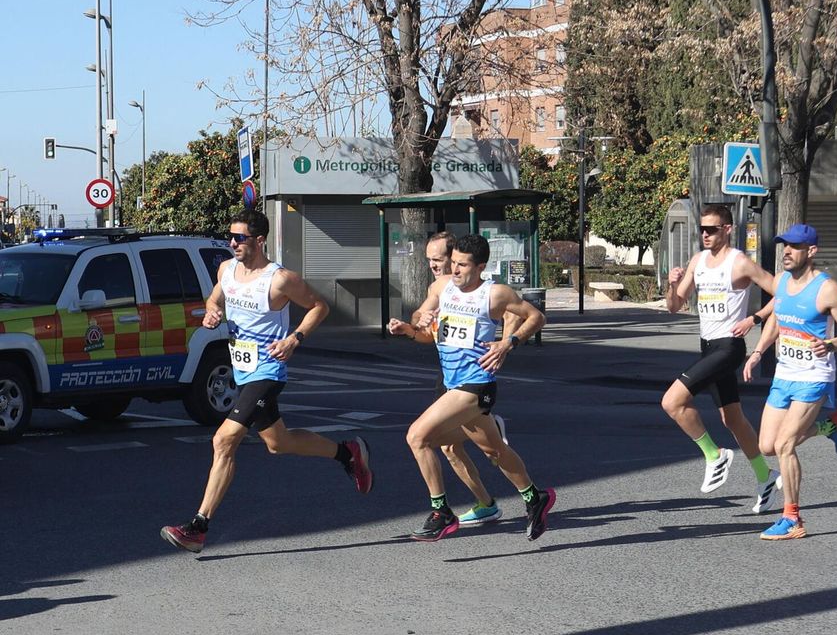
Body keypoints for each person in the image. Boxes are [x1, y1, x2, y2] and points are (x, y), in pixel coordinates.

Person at [161, 209, 373, 554]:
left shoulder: (280, 279)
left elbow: (319, 306)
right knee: (279, 442)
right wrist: (212, 312)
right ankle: (347, 453)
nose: (233, 243)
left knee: (223, 440)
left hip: (268, 371)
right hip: (242, 371)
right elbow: (215, 298)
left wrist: (294, 338)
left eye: (240, 238)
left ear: (260, 241)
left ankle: (198, 527)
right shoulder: (226, 270)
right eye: (231, 236)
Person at [405, 233, 555, 542]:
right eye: (453, 263)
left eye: (462, 265)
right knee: (495, 450)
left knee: (417, 436)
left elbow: (536, 316)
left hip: (476, 384)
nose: (454, 270)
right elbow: (420, 316)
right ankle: (534, 497)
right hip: (452, 383)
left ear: (480, 266)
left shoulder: (495, 294)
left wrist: (507, 343)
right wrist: (417, 321)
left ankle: (441, 512)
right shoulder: (442, 287)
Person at [741, 223, 837, 540]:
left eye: (794, 247)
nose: (787, 252)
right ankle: (830, 427)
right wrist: (757, 352)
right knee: (766, 445)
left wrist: (832, 345)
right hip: (785, 374)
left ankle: (792, 519)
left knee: (784, 445)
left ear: (812, 251)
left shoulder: (827, 289)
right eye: (785, 246)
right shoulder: (781, 282)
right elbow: (778, 319)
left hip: (814, 377)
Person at [662, 204, 782, 513]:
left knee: (672, 402)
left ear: (727, 229)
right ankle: (765, 476)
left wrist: (755, 318)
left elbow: (782, 292)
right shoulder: (698, 261)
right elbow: (675, 305)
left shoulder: (739, 262)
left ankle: (714, 455)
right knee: (732, 419)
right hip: (707, 346)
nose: (705, 234)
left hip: (729, 347)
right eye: (702, 229)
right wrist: (671, 283)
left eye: (712, 229)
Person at [387, 230, 512, 526]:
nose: (433, 264)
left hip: (471, 379)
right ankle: (486, 503)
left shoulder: (476, 288)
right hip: (450, 375)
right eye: (429, 259)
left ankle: (462, 505)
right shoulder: (440, 287)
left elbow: (513, 313)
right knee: (448, 447)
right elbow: (424, 328)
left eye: (438, 259)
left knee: (433, 440)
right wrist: (412, 325)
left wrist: (505, 345)